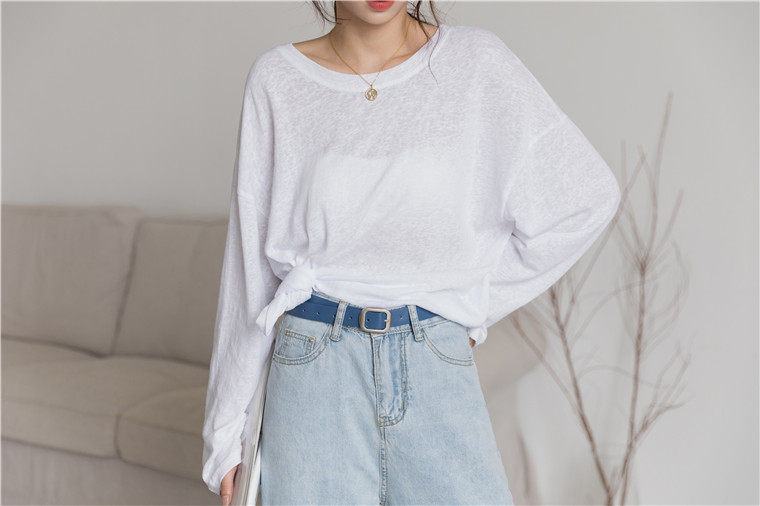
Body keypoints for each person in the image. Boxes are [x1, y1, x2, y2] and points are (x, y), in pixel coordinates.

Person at [201, 1, 621, 505]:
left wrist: (469, 305)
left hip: (433, 359)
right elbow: (248, 272)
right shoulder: (277, 79)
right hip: (313, 370)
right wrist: (224, 433)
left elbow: (585, 198)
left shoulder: (476, 63)